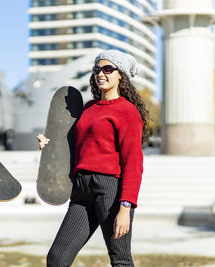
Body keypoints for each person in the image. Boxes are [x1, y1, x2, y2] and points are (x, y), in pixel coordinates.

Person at [37, 50, 149, 267]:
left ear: (120, 75)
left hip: (110, 190)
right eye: (97, 69)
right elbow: (74, 145)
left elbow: (133, 162)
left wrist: (125, 207)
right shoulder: (89, 108)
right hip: (81, 190)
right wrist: (48, 146)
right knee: (56, 259)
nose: (101, 74)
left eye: (108, 69)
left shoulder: (127, 112)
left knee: (120, 260)